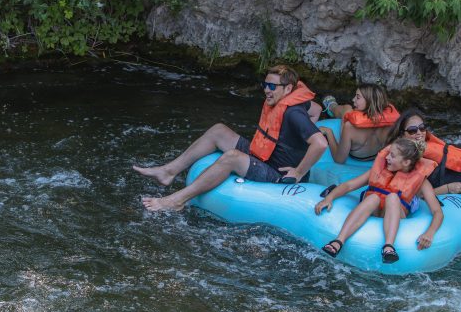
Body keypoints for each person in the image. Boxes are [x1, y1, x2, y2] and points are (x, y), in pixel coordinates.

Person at [134, 64, 328, 212]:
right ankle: (169, 171)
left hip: (278, 171)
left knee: (232, 157)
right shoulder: (290, 102)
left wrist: (299, 171)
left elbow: (320, 143)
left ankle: (176, 201)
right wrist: (296, 140)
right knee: (219, 130)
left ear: (288, 89)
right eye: (265, 84)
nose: (266, 90)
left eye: (272, 86)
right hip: (264, 154)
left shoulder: (294, 113)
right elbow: (317, 109)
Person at [314, 138, 443, 263]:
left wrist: (430, 233)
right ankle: (339, 240)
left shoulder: (421, 181)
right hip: (374, 209)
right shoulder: (378, 171)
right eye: (388, 154)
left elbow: (438, 212)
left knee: (392, 197)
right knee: (374, 197)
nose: (387, 158)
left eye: (392, 156)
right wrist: (329, 198)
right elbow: (349, 186)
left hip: (396, 213)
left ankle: (388, 246)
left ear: (406, 162)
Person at [318, 84, 400, 162]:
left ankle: (332, 106)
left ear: (369, 101)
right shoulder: (391, 123)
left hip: (357, 157)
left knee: (347, 108)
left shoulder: (350, 126)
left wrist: (329, 133)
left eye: (358, 97)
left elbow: (339, 159)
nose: (353, 99)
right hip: (375, 156)